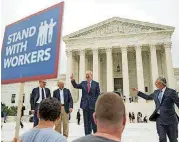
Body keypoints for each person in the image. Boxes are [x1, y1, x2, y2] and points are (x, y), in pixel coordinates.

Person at [132, 77, 179, 142]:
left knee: (173, 139)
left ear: (161, 83)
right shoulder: (156, 92)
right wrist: (138, 92)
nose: (155, 84)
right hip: (159, 119)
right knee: (162, 139)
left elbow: (178, 102)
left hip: (170, 120)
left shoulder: (171, 92)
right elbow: (148, 97)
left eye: (156, 83)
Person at [70, 70, 100, 135]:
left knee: (94, 122)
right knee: (86, 123)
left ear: (91, 76)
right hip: (85, 106)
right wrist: (73, 80)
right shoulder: (83, 83)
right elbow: (76, 86)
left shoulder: (96, 84)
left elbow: (98, 95)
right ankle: (87, 137)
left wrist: (98, 105)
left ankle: (96, 136)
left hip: (93, 106)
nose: (87, 76)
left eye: (88, 75)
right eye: (86, 75)